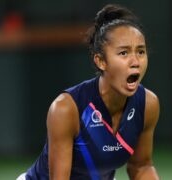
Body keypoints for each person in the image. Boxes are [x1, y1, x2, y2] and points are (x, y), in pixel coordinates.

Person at [17, 4, 160, 180]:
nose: (135, 61)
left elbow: (141, 166)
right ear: (101, 61)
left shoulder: (148, 105)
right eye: (123, 53)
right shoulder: (66, 109)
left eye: (141, 51)